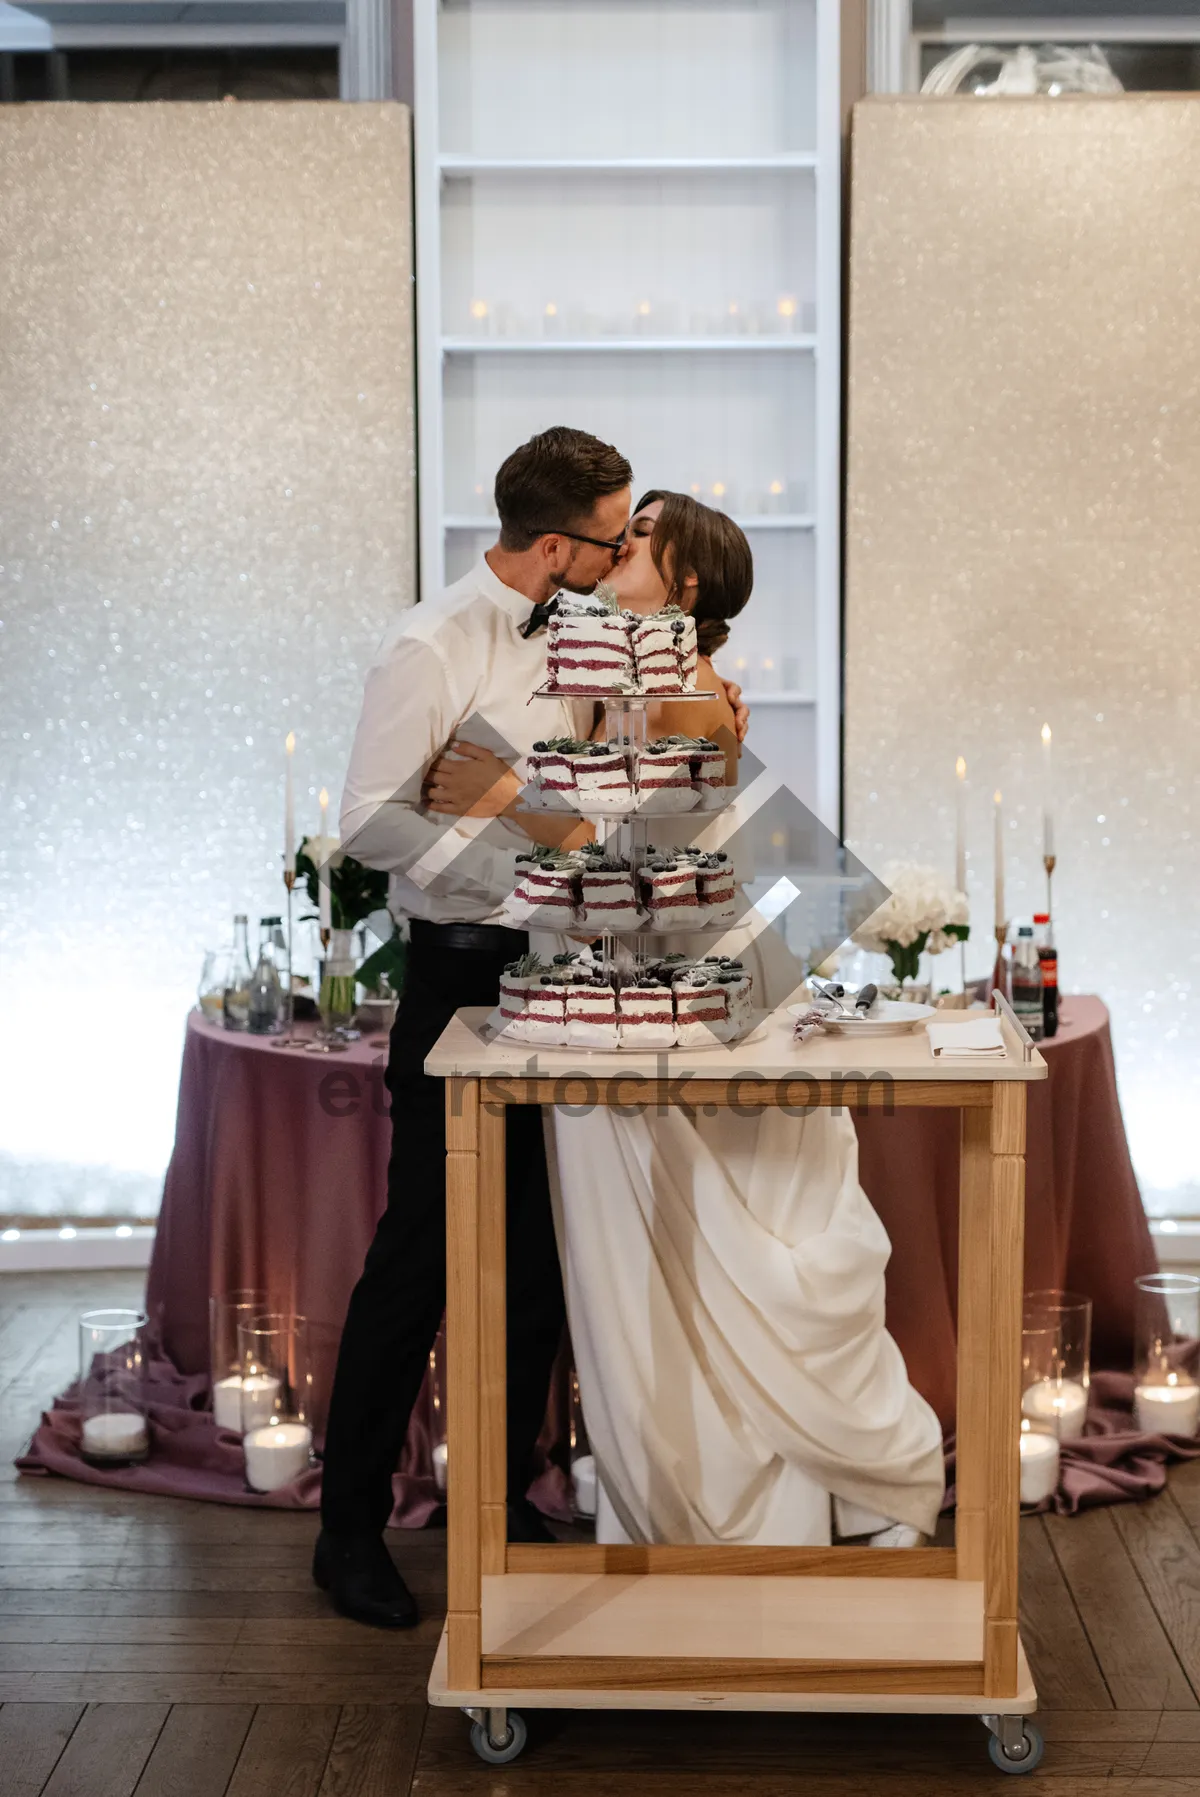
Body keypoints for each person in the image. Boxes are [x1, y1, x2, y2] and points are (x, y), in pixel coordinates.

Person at [430, 489, 945, 1550]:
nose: (626, 543)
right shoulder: (645, 682)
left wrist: (494, 794)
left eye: (647, 534)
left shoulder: (697, 703)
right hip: (637, 996)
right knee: (654, 1268)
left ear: (692, 585)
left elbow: (622, 852)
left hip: (687, 1019)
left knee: (699, 1257)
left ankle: (726, 1512)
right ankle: (680, 1498)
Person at [315, 436, 749, 1629]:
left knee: (547, 1260)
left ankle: (497, 1506)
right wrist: (517, 868)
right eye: (615, 537)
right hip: (462, 975)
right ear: (556, 544)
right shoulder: (429, 645)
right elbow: (366, 823)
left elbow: (616, 812)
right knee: (421, 1258)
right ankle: (345, 1529)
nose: (624, 557)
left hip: (581, 977)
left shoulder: (584, 631)